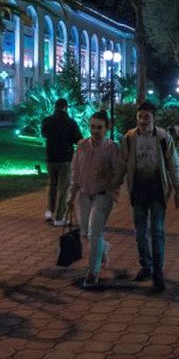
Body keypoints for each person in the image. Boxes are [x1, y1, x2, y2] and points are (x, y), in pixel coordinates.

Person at [112, 101, 179, 293]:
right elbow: (122, 163)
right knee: (140, 231)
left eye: (147, 117)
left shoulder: (163, 137)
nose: (143, 121)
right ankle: (146, 266)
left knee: (157, 231)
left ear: (154, 118)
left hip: (158, 190)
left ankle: (158, 273)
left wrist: (178, 190)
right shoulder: (129, 138)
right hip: (138, 189)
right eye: (140, 117)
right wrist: (115, 185)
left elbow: (173, 164)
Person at [69, 111, 119, 289]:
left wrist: (111, 182)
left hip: (102, 195)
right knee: (85, 233)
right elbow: (75, 171)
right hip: (84, 195)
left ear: (107, 128)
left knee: (94, 233)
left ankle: (93, 272)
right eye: (92, 127)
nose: (95, 131)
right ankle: (103, 249)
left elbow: (118, 172)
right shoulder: (82, 145)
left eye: (99, 127)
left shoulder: (112, 147)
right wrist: (71, 196)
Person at [41, 98, 83, 226]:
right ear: (66, 107)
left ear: (55, 107)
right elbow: (78, 139)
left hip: (51, 157)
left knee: (52, 185)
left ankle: (50, 211)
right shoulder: (71, 122)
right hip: (65, 158)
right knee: (63, 188)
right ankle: (59, 217)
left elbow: (44, 134)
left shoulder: (47, 121)